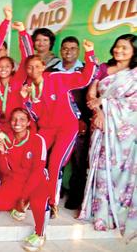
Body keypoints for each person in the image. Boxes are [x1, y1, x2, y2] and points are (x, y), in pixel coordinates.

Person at [20, 40, 96, 219]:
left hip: (67, 128)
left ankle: (52, 203)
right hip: (46, 129)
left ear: (44, 66)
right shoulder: (30, 89)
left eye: (37, 66)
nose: (33, 71)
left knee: (55, 163)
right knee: (34, 159)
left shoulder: (57, 77)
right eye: (29, 68)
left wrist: (90, 53)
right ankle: (30, 195)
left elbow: (85, 78)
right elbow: (34, 116)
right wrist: (26, 100)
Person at [79, 34, 137, 241]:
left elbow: (134, 104)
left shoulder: (135, 74)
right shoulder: (103, 68)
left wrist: (106, 106)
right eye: (117, 46)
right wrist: (99, 113)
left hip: (124, 132)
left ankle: (117, 211)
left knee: (118, 170)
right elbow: (91, 95)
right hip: (102, 126)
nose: (118, 50)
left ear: (134, 52)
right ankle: (100, 213)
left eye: (125, 48)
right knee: (99, 166)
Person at [0, 108, 50, 251]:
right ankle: (21, 202)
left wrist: (23, 197)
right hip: (17, 180)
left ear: (28, 122)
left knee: (38, 202)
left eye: (22, 119)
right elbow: (5, 170)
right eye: (14, 119)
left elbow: (37, 171)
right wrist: (3, 153)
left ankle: (40, 234)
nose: (17, 123)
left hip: (37, 180)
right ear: (10, 122)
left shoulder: (37, 139)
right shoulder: (7, 138)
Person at [46, 36, 91, 210]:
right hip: (55, 122)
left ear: (78, 50)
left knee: (78, 161)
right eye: (65, 48)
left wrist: (84, 120)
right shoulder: (50, 70)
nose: (68, 51)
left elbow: (89, 96)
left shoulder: (85, 70)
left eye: (72, 48)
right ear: (61, 50)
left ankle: (76, 196)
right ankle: (54, 193)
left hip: (78, 122)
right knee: (55, 159)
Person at [0, 21, 33, 129]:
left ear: (12, 68)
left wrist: (22, 33)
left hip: (21, 125)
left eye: (7, 66)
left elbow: (28, 57)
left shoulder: (18, 79)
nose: (3, 69)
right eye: (0, 66)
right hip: (3, 128)